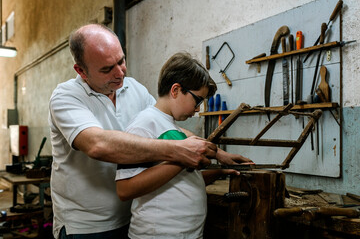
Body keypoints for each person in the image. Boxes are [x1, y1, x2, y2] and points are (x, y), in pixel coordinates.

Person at [48, 23, 250, 239]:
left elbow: (166, 126)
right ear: (81, 70)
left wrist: (216, 153)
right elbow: (97, 145)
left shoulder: (133, 88)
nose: (119, 73)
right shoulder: (66, 97)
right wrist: (181, 153)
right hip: (87, 226)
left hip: (131, 216)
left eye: (121, 61)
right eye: (107, 69)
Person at [115, 52, 250, 239]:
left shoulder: (171, 126)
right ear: (176, 90)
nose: (197, 109)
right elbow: (125, 189)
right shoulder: (144, 124)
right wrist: (184, 159)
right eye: (198, 100)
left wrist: (220, 172)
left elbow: (181, 180)